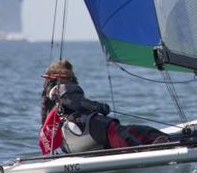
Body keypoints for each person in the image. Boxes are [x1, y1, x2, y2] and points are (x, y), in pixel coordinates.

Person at [39, 59, 168, 154]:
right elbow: (78, 102)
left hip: (68, 144)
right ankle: (140, 150)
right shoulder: (62, 88)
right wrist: (100, 107)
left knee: (132, 130)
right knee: (108, 125)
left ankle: (160, 140)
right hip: (77, 133)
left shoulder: (47, 98)